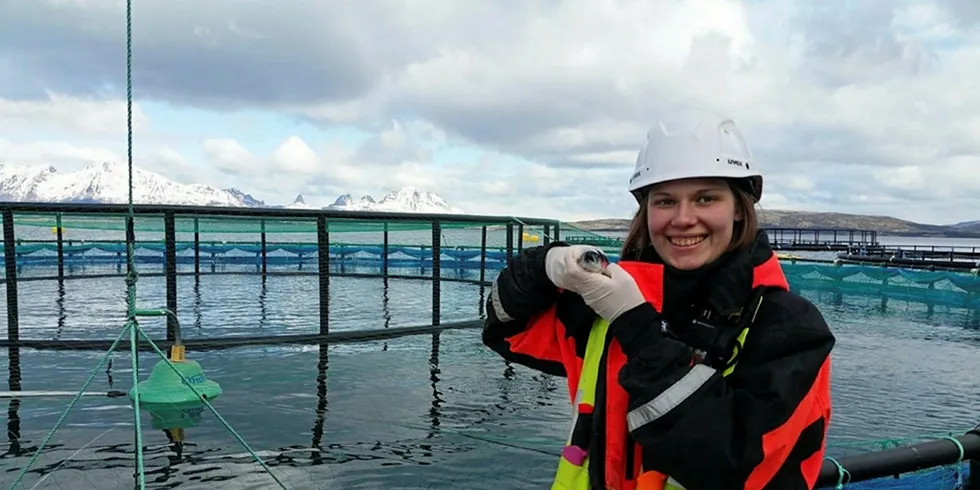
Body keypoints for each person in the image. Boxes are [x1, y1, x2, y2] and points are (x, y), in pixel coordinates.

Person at [482, 110, 836, 490]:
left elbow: (733, 468)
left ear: (738, 207)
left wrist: (637, 326)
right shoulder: (606, 301)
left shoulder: (788, 329)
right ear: (645, 211)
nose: (683, 219)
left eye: (705, 198)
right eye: (665, 201)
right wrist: (545, 265)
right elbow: (506, 329)